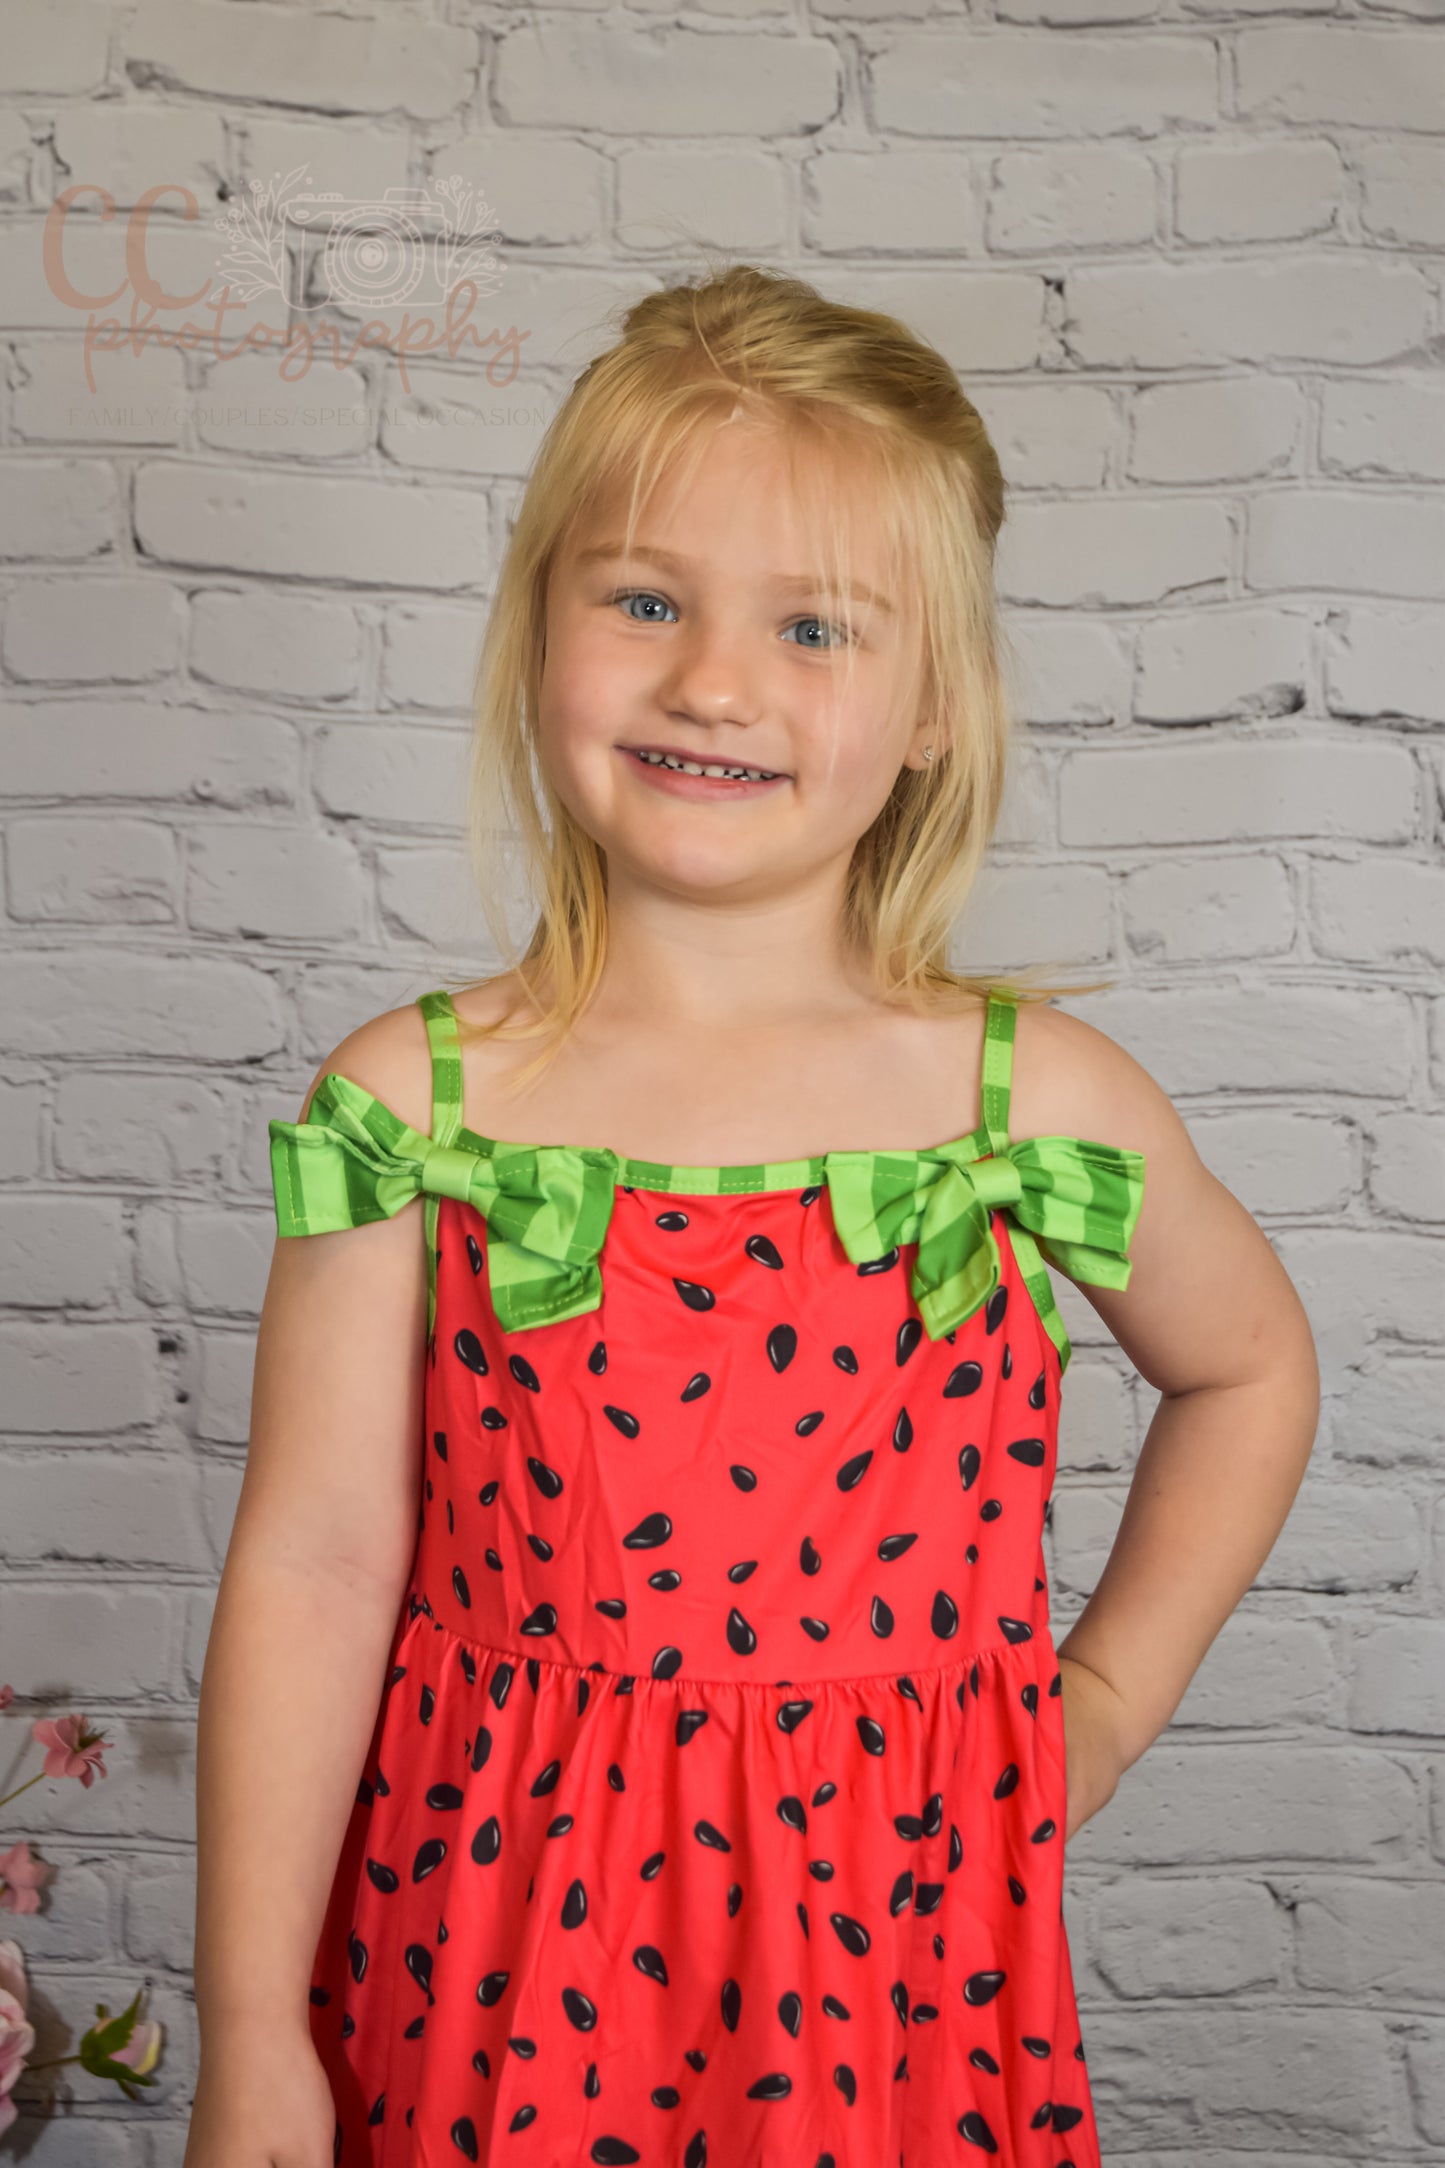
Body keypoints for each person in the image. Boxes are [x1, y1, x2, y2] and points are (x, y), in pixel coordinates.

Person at [184, 262, 1320, 2168]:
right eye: (643, 599)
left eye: (811, 627)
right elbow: (310, 1567)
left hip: (889, 1967)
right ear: (537, 625)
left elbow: (1251, 1371)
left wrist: (1106, 1701)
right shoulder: (415, 1108)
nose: (712, 682)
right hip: (487, 1953)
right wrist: (247, 2034)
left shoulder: (1024, 1105)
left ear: (934, 705)